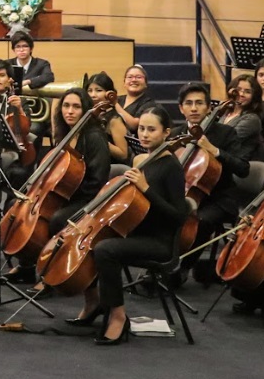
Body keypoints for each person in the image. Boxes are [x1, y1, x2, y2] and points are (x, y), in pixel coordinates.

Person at [66, 106, 188, 345]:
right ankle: (93, 303)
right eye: (141, 128)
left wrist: (146, 188)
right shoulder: (143, 160)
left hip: (159, 242)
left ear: (166, 133)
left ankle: (118, 316)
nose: (144, 134)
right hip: (136, 231)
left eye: (151, 129)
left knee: (106, 250)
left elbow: (177, 217)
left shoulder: (171, 167)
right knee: (94, 242)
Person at [5, 88, 112, 284]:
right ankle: (27, 266)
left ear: (85, 109)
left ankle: (50, 276)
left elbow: (97, 181)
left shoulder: (94, 137)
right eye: (66, 106)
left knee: (57, 219)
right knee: (14, 204)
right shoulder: (65, 133)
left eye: (76, 107)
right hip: (63, 193)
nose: (69, 111)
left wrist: (64, 194)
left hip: (86, 199)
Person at [176, 82, 259, 283]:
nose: (194, 108)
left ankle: (183, 267)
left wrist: (214, 150)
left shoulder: (225, 133)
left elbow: (243, 168)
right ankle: (159, 263)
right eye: (189, 103)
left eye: (199, 103)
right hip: (186, 194)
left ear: (208, 107)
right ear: (181, 108)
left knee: (201, 221)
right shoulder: (176, 135)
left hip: (219, 198)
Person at [86, 72, 131, 163]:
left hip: (109, 165)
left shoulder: (114, 120)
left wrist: (99, 141)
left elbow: (123, 154)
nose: (93, 95)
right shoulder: (88, 115)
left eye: (98, 90)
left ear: (109, 93)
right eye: (89, 91)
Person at [114, 65, 157, 139]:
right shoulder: (118, 99)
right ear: (124, 83)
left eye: (138, 77)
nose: (134, 80)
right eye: (130, 77)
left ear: (146, 83)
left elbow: (134, 125)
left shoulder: (149, 104)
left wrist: (114, 104)